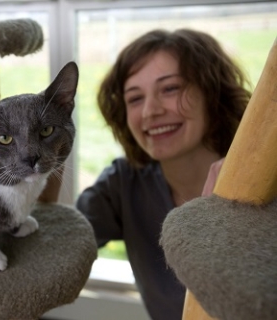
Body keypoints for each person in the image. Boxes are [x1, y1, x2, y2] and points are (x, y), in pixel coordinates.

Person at [75, 29, 251, 320]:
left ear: (212, 92)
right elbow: (63, 244)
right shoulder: (123, 182)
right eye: (134, 98)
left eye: (170, 89)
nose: (150, 111)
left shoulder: (263, 179)